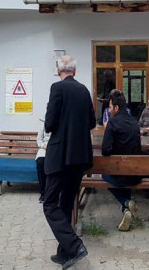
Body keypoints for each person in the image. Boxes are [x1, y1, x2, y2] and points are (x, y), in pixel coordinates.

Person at [42, 56, 95, 269]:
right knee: (65, 204)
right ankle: (64, 253)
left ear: (58, 70)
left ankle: (75, 246)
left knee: (49, 203)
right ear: (75, 71)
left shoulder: (57, 88)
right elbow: (91, 122)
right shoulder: (84, 90)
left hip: (60, 155)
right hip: (80, 156)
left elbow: (49, 124)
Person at [101, 91, 142, 231]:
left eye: (111, 107)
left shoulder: (112, 123)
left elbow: (105, 150)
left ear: (117, 108)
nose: (110, 110)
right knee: (127, 172)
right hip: (136, 175)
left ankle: (126, 203)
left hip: (119, 175)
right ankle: (126, 208)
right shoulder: (135, 122)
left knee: (104, 175)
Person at [35, 124, 51, 203]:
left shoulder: (61, 124)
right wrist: (43, 146)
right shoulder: (43, 125)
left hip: (56, 149)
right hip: (44, 149)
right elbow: (39, 140)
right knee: (40, 163)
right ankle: (43, 193)